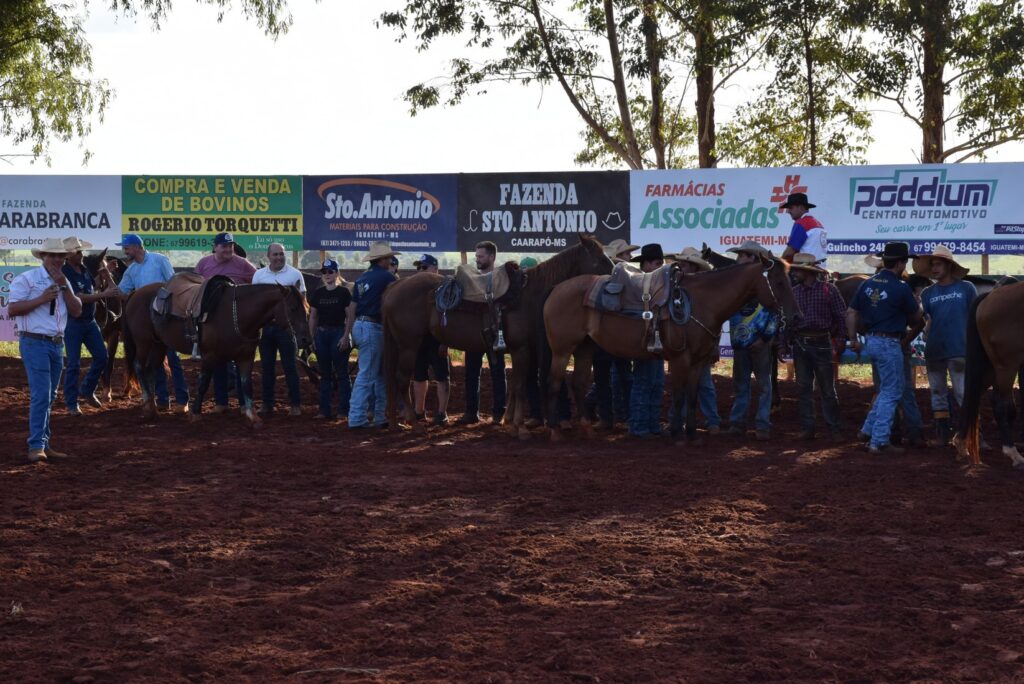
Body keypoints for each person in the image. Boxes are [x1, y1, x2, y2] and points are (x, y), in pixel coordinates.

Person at [9, 237, 83, 463]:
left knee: (49, 396)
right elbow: (13, 309)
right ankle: (37, 446)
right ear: (43, 256)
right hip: (35, 342)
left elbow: (77, 310)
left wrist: (64, 286)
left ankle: (43, 443)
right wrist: (42, 298)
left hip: (55, 343)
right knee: (42, 395)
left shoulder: (64, 280)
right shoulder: (27, 279)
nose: (57, 260)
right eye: (53, 255)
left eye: (61, 256)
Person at [848, 241, 924, 455]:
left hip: (871, 340)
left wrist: (853, 339)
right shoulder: (901, 287)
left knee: (886, 389)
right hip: (889, 342)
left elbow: (851, 312)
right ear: (899, 263)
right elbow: (917, 318)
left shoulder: (867, 284)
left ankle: (867, 430)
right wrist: (919, 306)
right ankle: (879, 440)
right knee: (893, 391)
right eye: (904, 262)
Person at [116, 232, 190, 412]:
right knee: (154, 360)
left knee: (173, 359)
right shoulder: (131, 270)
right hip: (147, 320)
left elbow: (174, 283)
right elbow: (122, 293)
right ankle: (162, 399)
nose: (125, 251)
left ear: (137, 247)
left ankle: (182, 400)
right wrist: (107, 278)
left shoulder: (159, 260)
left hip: (166, 316)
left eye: (127, 248)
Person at [914, 246, 976, 447]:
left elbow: (976, 317)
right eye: (932, 265)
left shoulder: (967, 288)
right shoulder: (927, 293)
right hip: (935, 350)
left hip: (960, 348)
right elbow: (924, 319)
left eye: (938, 264)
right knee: (937, 393)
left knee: (962, 393)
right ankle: (943, 435)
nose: (934, 268)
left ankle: (973, 437)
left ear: (949, 265)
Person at [787, 252, 846, 441]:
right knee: (807, 388)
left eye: (798, 270)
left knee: (826, 389)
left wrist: (840, 339)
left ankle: (831, 429)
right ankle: (816, 428)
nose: (794, 273)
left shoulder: (828, 290)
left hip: (818, 342)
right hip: (806, 342)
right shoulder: (798, 291)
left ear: (807, 271)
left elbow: (841, 317)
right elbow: (787, 320)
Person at [195, 232, 257, 412]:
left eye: (230, 246)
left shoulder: (242, 264)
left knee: (241, 363)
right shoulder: (204, 264)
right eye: (224, 246)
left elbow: (256, 282)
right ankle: (221, 403)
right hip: (214, 324)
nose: (228, 249)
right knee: (218, 363)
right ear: (215, 247)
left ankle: (244, 404)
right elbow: (196, 287)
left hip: (238, 323)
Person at [343, 241, 400, 429]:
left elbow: (352, 307)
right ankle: (357, 418)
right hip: (374, 326)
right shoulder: (387, 277)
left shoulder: (361, 278)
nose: (391, 260)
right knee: (369, 374)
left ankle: (377, 416)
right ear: (382, 259)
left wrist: (349, 332)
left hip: (361, 325)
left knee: (374, 373)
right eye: (389, 258)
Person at [666, 247, 721, 436]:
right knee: (684, 383)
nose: (681, 267)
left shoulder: (704, 291)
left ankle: (710, 420)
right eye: (681, 263)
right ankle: (683, 420)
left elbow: (715, 321)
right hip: (682, 343)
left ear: (694, 267)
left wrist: (714, 345)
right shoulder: (676, 286)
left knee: (702, 383)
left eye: (685, 264)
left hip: (698, 345)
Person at [61, 236, 119, 415]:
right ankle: (72, 403)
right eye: (78, 252)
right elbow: (78, 297)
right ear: (68, 255)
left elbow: (91, 287)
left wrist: (103, 274)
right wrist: (104, 295)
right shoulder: (65, 273)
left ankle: (87, 388)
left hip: (89, 321)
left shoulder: (84, 269)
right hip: (73, 323)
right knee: (73, 364)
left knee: (102, 357)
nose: (81, 254)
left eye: (81, 251)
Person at [725, 240, 777, 441]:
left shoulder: (765, 282)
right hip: (741, 341)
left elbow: (774, 311)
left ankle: (760, 424)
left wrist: (764, 338)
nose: (738, 259)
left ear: (752, 258)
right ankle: (740, 423)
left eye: (742, 255)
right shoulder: (735, 282)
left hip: (757, 341)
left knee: (762, 385)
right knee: (742, 384)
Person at [252, 243, 306, 417]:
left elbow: (302, 303)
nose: (279, 257)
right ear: (268, 256)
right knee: (267, 368)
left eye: (281, 254)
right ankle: (267, 404)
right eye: (275, 254)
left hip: (287, 330)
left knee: (290, 367)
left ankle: (295, 405)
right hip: (266, 328)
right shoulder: (259, 275)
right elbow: (254, 302)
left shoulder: (295, 274)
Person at [458, 240, 507, 425]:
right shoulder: (470, 280)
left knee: (498, 372)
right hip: (474, 334)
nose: (477, 259)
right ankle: (471, 412)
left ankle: (499, 413)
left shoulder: (501, 279)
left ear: (491, 257)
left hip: (494, 332)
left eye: (481, 256)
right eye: (476, 256)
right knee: (471, 373)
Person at [628, 243, 667, 439]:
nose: (659, 267)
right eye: (656, 263)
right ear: (646, 264)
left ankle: (651, 424)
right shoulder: (638, 284)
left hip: (655, 340)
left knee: (656, 383)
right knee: (644, 382)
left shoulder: (654, 284)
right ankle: (639, 426)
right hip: (644, 340)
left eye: (661, 263)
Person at [309, 258, 353, 421]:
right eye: (324, 272)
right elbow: (313, 317)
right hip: (321, 334)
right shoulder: (318, 293)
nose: (327, 274)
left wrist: (346, 336)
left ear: (336, 273)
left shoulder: (344, 293)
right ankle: (324, 410)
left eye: (330, 271)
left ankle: (344, 410)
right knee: (325, 374)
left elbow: (350, 316)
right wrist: (312, 338)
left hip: (338, 332)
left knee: (342, 374)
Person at [411, 254, 451, 425]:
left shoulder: (445, 287)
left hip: (438, 338)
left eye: (424, 267)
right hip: (419, 338)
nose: (420, 270)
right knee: (419, 375)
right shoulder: (413, 290)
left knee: (442, 376)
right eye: (419, 267)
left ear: (435, 269)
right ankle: (419, 412)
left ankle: (442, 413)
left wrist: (446, 341)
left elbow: (450, 317)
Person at [780, 192, 828, 269]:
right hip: (821, 269)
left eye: (790, 208)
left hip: (805, 270)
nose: (788, 211)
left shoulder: (801, 223)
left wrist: (778, 262)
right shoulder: (819, 224)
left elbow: (789, 253)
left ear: (801, 208)